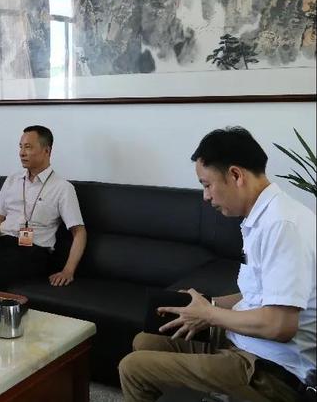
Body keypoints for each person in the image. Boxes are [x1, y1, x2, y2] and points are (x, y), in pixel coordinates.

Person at [119, 126, 316, 402]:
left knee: (133, 368)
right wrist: (206, 304)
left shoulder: (282, 225)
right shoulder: (260, 219)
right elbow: (259, 295)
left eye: (206, 184)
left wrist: (209, 315)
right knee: (147, 340)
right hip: (248, 345)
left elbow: (279, 326)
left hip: (272, 369)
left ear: (235, 175)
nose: (206, 196)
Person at [0, 125, 87, 291]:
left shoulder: (62, 188)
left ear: (46, 151)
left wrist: (68, 271)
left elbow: (79, 232)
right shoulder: (12, 180)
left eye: (28, 147)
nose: (22, 153)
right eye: (21, 147)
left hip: (34, 250)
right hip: (4, 241)